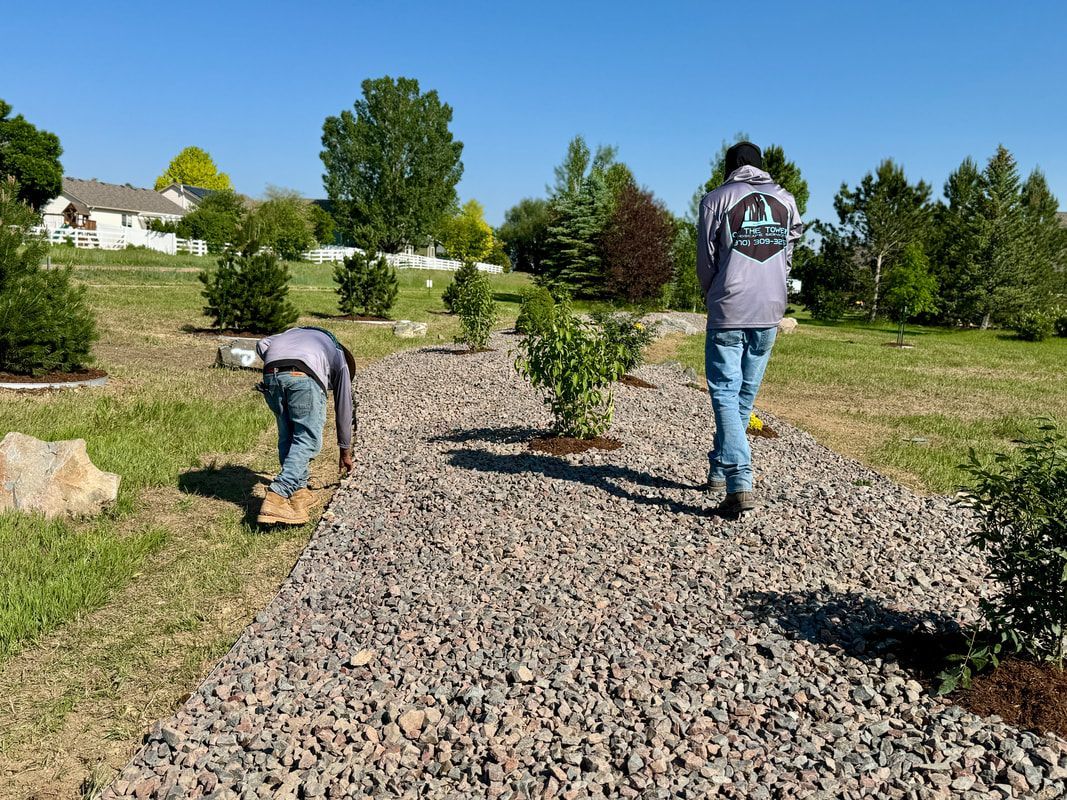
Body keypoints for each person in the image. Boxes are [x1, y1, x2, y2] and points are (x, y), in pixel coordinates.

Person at [697, 142, 802, 515]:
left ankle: (740, 481)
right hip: (770, 308)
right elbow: (789, 252)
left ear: (730, 166)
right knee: (743, 397)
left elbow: (706, 259)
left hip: (730, 305)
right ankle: (718, 471)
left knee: (725, 392)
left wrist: (715, 294)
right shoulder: (786, 200)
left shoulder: (716, 199)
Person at [254, 326, 356, 525]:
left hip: (270, 375)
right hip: (302, 376)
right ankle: (277, 495)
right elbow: (344, 408)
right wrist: (345, 450)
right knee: (307, 439)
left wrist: (278, 368)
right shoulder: (340, 358)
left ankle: (299, 493)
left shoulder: (294, 333)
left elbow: (262, 344)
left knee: (288, 436)